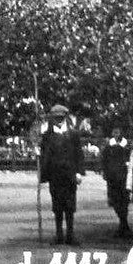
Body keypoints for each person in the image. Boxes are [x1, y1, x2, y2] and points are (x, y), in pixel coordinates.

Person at [39, 104, 84, 245]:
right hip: (55, 175)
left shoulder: (73, 134)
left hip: (70, 175)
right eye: (56, 118)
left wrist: (79, 172)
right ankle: (59, 235)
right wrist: (43, 172)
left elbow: (79, 155)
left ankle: (70, 235)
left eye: (61, 118)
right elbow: (44, 155)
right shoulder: (47, 136)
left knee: (70, 206)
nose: (58, 120)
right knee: (57, 205)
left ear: (65, 118)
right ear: (52, 119)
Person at [101, 125, 132, 238]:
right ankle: (123, 224)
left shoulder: (127, 146)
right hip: (112, 177)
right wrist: (105, 172)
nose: (116, 134)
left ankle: (124, 225)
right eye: (114, 132)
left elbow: (131, 160)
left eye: (118, 131)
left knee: (124, 201)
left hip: (124, 178)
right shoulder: (109, 146)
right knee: (115, 201)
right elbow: (104, 160)